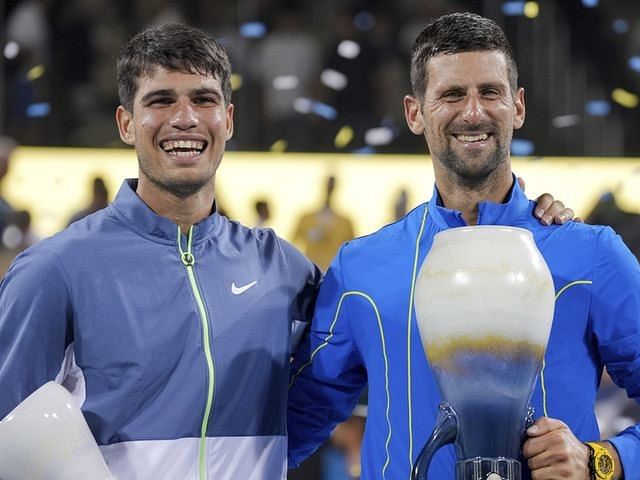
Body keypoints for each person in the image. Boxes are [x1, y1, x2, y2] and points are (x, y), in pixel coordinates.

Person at [287, 12, 640, 480]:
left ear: (518, 106)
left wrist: (604, 461)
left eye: (489, 92)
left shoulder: (591, 255)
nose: (473, 112)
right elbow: (287, 426)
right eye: (452, 94)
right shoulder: (361, 270)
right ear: (415, 113)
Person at [0, 23, 321, 480]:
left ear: (227, 120)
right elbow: (7, 434)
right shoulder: (55, 270)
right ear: (126, 123)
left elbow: (338, 379)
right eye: (161, 100)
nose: (185, 118)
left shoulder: (281, 268)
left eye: (203, 99)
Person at [292, 175, 355, 271]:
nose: (329, 189)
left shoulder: (345, 223)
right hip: (311, 270)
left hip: (333, 271)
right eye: (328, 185)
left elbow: (352, 250)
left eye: (331, 185)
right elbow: (294, 243)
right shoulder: (306, 219)